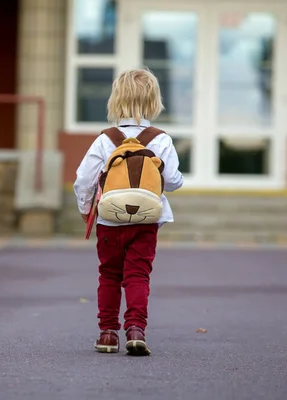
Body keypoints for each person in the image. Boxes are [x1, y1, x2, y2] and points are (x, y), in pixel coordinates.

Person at [73, 68, 184, 356]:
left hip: (110, 220)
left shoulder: (104, 140)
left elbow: (83, 180)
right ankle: (136, 329)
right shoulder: (161, 140)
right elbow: (172, 181)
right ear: (154, 102)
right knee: (138, 275)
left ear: (115, 100)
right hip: (147, 221)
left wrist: (87, 210)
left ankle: (107, 333)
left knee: (109, 274)